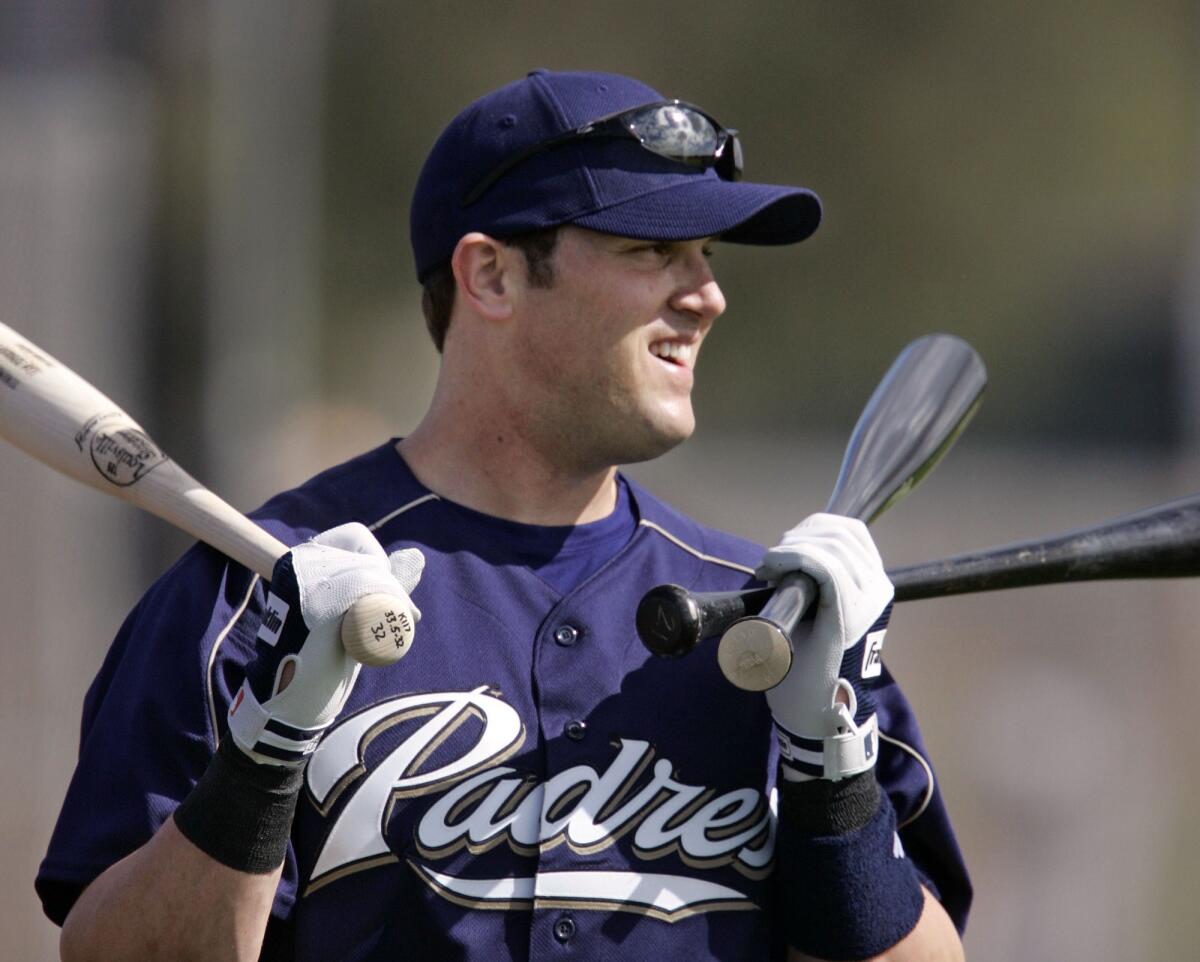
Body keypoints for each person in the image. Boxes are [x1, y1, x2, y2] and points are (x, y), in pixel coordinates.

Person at [37, 69, 971, 961]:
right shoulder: (256, 595)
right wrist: (266, 754)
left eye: (708, 256)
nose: (708, 295)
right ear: (490, 277)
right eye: (652, 250)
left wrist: (831, 765)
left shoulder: (774, 624)